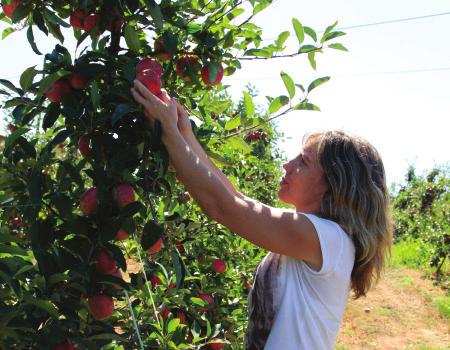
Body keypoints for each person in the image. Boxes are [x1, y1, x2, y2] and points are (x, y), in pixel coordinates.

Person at [130, 81, 393, 350]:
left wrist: (168, 133)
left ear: (334, 187)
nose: (287, 164)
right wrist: (185, 134)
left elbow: (222, 206)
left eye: (303, 162)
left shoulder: (326, 238)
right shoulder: (320, 235)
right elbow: (235, 198)